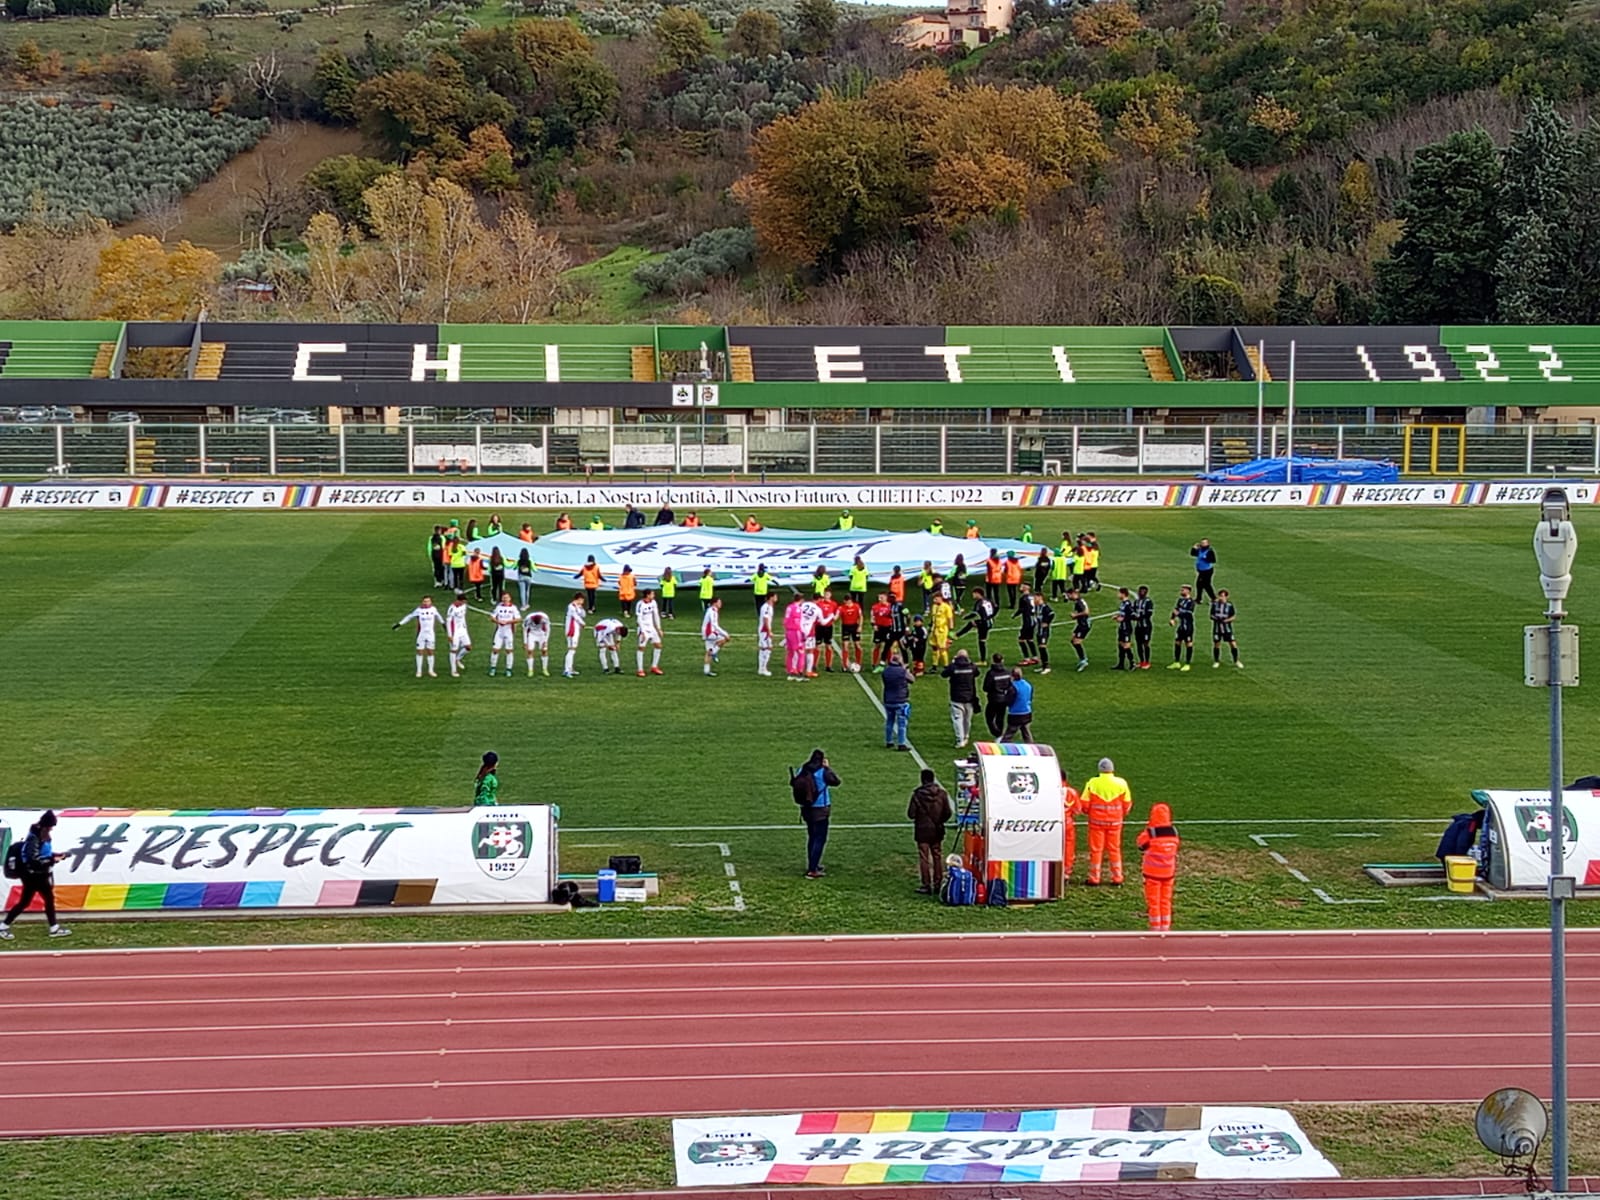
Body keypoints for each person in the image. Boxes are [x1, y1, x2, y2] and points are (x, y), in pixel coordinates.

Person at [0, 811, 70, 939]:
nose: (52, 829)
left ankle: (4, 925)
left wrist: (55, 855)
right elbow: (33, 859)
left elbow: (42, 853)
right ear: (46, 826)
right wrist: (52, 860)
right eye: (51, 826)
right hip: (35, 875)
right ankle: (53, 928)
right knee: (46, 900)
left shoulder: (39, 835)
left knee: (26, 902)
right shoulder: (35, 838)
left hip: (34, 875)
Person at [1084, 757, 1132, 885]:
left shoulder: (1092, 783)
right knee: (1114, 849)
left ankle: (1094, 877)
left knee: (1096, 850)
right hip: (1115, 822)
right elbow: (1127, 804)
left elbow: (1085, 804)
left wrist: (1089, 812)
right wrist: (1120, 814)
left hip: (1096, 822)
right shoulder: (1121, 783)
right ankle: (1117, 877)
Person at [907, 769, 954, 895]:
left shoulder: (917, 795)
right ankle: (938, 883)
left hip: (922, 830)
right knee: (937, 856)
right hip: (937, 830)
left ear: (922, 780)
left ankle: (926, 885)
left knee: (924, 857)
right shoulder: (942, 794)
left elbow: (911, 814)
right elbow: (948, 813)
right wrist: (940, 821)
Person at [796, 748, 840, 878]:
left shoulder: (802, 770)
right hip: (820, 809)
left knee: (812, 837)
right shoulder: (823, 771)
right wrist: (827, 768)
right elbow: (836, 781)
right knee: (819, 839)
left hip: (806, 808)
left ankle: (813, 864)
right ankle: (812, 869)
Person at [1137, 802, 1180, 931]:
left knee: (1154, 902)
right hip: (1168, 872)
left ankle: (1155, 927)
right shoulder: (1173, 832)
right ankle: (1165, 927)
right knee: (1166, 901)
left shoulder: (1151, 832)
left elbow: (1140, 844)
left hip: (1152, 873)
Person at [393, 595, 446, 678]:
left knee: (430, 651)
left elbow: (439, 617)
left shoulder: (433, 609)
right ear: (422, 602)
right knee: (420, 652)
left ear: (431, 602)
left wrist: (444, 625)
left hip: (431, 634)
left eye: (428, 601)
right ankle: (419, 671)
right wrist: (399, 624)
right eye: (424, 601)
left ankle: (431, 670)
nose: (426, 603)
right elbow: (409, 617)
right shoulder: (418, 610)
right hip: (421, 634)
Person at [942, 648, 979, 748]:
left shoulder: (953, 667)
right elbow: (977, 673)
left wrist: (952, 663)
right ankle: (966, 736)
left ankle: (960, 740)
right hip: (970, 697)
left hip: (956, 697)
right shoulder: (972, 667)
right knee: (967, 720)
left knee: (958, 720)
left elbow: (944, 674)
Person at [954, 586, 997, 662]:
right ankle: (983, 660)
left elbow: (975, 613)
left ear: (978, 594)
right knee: (981, 639)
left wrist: (966, 618)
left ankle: (956, 635)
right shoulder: (988, 600)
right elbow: (996, 607)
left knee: (980, 639)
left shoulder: (979, 603)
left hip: (984, 623)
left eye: (973, 594)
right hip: (990, 621)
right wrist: (992, 615)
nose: (972, 595)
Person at [882, 652, 913, 751]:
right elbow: (912, 679)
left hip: (888, 700)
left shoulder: (886, 671)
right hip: (900, 700)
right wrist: (906, 670)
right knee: (902, 723)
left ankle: (889, 741)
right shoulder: (902, 671)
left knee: (889, 722)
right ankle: (901, 743)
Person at [488, 592, 521, 677]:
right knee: (495, 650)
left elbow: (518, 619)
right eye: (504, 598)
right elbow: (492, 617)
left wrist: (507, 622)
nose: (505, 599)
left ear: (510, 598)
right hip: (499, 631)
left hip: (509, 632)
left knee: (509, 650)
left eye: (507, 597)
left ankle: (508, 669)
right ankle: (493, 668)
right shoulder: (498, 607)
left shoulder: (513, 608)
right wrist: (498, 621)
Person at [981, 652, 1011, 739]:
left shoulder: (991, 673)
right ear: (1002, 660)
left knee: (989, 717)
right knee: (1000, 717)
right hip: (1004, 698)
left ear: (993, 661)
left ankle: (996, 733)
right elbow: (1010, 685)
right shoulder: (1007, 672)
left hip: (994, 699)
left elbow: (986, 687)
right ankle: (1000, 734)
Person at [1001, 666, 1034, 743]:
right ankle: (1031, 746)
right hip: (1027, 712)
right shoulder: (1028, 685)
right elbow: (1030, 697)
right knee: (1026, 733)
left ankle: (1002, 746)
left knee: (1009, 734)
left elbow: (1009, 701)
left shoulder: (1013, 687)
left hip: (1015, 714)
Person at [636, 589, 664, 676]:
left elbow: (656, 615)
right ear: (647, 595)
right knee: (641, 648)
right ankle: (640, 670)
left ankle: (654, 667)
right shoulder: (640, 604)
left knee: (658, 645)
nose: (654, 595)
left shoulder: (653, 603)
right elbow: (639, 619)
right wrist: (643, 631)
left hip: (652, 628)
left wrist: (659, 628)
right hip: (643, 628)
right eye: (652, 594)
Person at [1061, 770, 1082, 883]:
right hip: (1067, 823)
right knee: (1068, 847)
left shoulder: (1049, 792)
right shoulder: (1071, 792)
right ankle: (1066, 872)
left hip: (1052, 825)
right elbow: (1078, 810)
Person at [1169, 585, 1196, 671]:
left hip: (1188, 626)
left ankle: (1187, 664)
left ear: (1188, 591)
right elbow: (1175, 610)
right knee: (1177, 642)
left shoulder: (1191, 602)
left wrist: (1179, 613)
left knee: (1188, 643)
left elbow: (1189, 613)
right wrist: (1172, 619)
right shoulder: (1180, 600)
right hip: (1181, 626)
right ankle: (1176, 662)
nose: (1181, 591)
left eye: (1183, 590)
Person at [1212, 589, 1242, 668]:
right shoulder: (1215, 604)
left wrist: (1227, 620)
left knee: (1233, 644)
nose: (1222, 598)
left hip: (1227, 628)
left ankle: (1236, 661)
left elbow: (1233, 616)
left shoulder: (1229, 605)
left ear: (1227, 597)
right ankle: (1216, 661)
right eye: (1220, 596)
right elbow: (1211, 615)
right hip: (1217, 628)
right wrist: (1216, 618)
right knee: (1217, 644)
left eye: (1223, 596)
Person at [445, 590, 472, 677]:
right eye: (463, 601)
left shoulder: (464, 606)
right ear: (459, 601)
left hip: (462, 630)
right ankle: (453, 671)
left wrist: (465, 627)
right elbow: (448, 621)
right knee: (454, 650)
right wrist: (450, 635)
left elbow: (463, 617)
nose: (464, 603)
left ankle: (458, 659)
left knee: (468, 647)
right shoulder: (452, 608)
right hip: (454, 631)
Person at [701, 597, 728, 676]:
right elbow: (714, 625)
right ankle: (714, 652)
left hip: (706, 633)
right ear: (714, 603)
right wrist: (724, 633)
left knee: (709, 651)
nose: (721, 604)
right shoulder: (713, 611)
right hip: (710, 633)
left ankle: (706, 671)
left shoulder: (710, 610)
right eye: (719, 602)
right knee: (725, 638)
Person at [562, 592, 587, 677]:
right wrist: (583, 623)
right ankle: (566, 670)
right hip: (571, 630)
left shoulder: (577, 606)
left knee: (573, 650)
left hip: (576, 630)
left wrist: (580, 607)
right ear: (579, 599)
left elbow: (583, 615)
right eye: (582, 600)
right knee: (571, 650)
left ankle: (570, 668)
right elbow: (576, 617)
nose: (583, 602)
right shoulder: (571, 606)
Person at [784, 594, 807, 680]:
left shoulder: (789, 607)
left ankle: (790, 671)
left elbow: (786, 620)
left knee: (790, 652)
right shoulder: (797, 609)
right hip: (795, 631)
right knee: (800, 651)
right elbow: (797, 621)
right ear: (801, 600)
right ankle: (799, 671)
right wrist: (802, 632)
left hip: (788, 631)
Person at [869, 592, 895, 672]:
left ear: (886, 598)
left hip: (888, 628)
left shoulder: (891, 607)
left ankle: (890, 663)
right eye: (879, 597)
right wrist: (874, 625)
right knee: (877, 645)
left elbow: (894, 617)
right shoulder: (874, 607)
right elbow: (872, 617)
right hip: (879, 628)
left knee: (888, 646)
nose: (880, 599)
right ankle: (874, 664)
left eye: (882, 597)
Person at [1015, 584, 1039, 667]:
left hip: (1027, 620)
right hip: (1034, 619)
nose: (1020, 588)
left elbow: (1021, 609)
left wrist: (1015, 615)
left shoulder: (1023, 598)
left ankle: (1026, 659)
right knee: (1030, 639)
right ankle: (1035, 657)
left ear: (1026, 588)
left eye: (1022, 586)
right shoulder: (1033, 597)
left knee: (1021, 640)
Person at [838, 593, 863, 672]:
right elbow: (837, 616)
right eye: (846, 601)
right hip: (845, 627)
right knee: (845, 646)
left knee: (857, 645)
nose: (848, 603)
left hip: (854, 626)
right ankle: (844, 665)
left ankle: (859, 663)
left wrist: (860, 626)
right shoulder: (841, 608)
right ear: (844, 601)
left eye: (849, 601)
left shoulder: (856, 606)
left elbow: (861, 616)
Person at [522, 607, 551, 677]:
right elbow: (525, 630)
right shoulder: (528, 618)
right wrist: (525, 642)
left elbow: (548, 629)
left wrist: (545, 641)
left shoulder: (545, 618)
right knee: (530, 651)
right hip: (532, 634)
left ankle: (545, 669)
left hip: (541, 634)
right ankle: (530, 670)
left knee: (544, 650)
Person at [1113, 587, 1136, 671]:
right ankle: (1121, 664)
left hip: (1127, 628)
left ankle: (1132, 663)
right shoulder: (1122, 604)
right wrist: (1117, 617)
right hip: (1122, 627)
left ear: (1123, 594)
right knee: (1120, 645)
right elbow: (1123, 614)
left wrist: (1123, 619)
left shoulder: (1128, 604)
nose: (1117, 595)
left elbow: (1132, 616)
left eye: (1119, 593)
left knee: (1126, 646)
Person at [815, 591, 839, 671]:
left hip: (828, 627)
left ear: (830, 595)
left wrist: (834, 617)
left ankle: (828, 666)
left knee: (828, 646)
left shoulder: (834, 604)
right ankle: (814, 665)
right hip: (819, 627)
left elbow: (836, 614)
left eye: (828, 594)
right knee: (817, 646)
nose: (826, 596)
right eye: (825, 594)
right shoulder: (819, 603)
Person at [928, 589, 953, 670]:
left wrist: (950, 630)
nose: (934, 600)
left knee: (942, 648)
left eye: (936, 598)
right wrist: (930, 626)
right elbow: (933, 617)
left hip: (942, 630)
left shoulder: (946, 607)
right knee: (934, 647)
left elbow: (950, 618)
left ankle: (946, 665)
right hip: (934, 629)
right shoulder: (934, 606)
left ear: (940, 598)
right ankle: (934, 665)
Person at [1134, 585, 1155, 670]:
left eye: (1143, 591)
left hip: (1146, 627)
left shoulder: (1148, 602)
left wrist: (1139, 617)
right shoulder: (1136, 601)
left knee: (1145, 643)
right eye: (1140, 591)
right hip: (1138, 626)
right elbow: (1133, 611)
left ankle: (1147, 662)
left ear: (1146, 592)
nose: (1141, 593)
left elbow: (1149, 613)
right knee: (1138, 644)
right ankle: (1141, 661)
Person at [1069, 588, 1091, 671]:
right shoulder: (1079, 601)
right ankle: (1082, 658)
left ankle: (1083, 661)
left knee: (1076, 642)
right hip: (1080, 624)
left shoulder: (1079, 602)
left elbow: (1086, 612)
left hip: (1084, 625)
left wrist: (1076, 615)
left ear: (1073, 594)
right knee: (1073, 640)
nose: (1068, 597)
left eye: (1069, 595)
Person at [756, 592, 775, 677]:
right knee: (767, 648)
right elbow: (765, 619)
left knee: (764, 649)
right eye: (775, 596)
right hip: (764, 631)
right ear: (771, 597)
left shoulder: (768, 606)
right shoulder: (766, 607)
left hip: (764, 630)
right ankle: (763, 669)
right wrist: (769, 631)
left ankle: (761, 668)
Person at [1035, 595, 1055, 674]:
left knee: (1042, 647)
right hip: (1039, 630)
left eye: (1036, 598)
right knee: (1040, 648)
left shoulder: (1045, 607)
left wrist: (1047, 622)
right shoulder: (1037, 607)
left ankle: (1047, 667)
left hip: (1044, 631)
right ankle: (1043, 665)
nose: (1034, 599)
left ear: (1040, 598)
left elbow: (1052, 614)